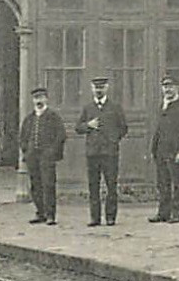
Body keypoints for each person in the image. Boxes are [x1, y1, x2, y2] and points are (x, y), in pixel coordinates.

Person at [75, 75, 129, 227]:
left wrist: (113, 139)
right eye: (96, 88)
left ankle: (110, 217)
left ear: (106, 88)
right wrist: (88, 125)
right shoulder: (88, 108)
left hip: (110, 153)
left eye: (101, 87)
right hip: (92, 153)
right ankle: (95, 218)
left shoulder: (115, 107)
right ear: (92, 89)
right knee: (93, 186)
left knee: (111, 186)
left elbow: (123, 128)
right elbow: (78, 128)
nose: (99, 90)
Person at [18, 86, 67, 225]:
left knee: (48, 185)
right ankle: (40, 213)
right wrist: (26, 151)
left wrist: (52, 151)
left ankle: (50, 215)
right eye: (36, 98)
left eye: (41, 97)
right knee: (35, 185)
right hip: (33, 156)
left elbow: (61, 135)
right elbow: (22, 137)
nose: (38, 100)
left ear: (46, 99)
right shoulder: (29, 119)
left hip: (47, 157)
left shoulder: (53, 116)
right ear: (33, 100)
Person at [149, 74, 179, 223]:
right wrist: (154, 149)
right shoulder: (162, 106)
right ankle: (163, 213)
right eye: (165, 87)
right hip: (161, 151)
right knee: (162, 184)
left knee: (177, 184)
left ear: (177, 88)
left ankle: (176, 214)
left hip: (175, 153)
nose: (167, 90)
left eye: (170, 87)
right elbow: (159, 130)